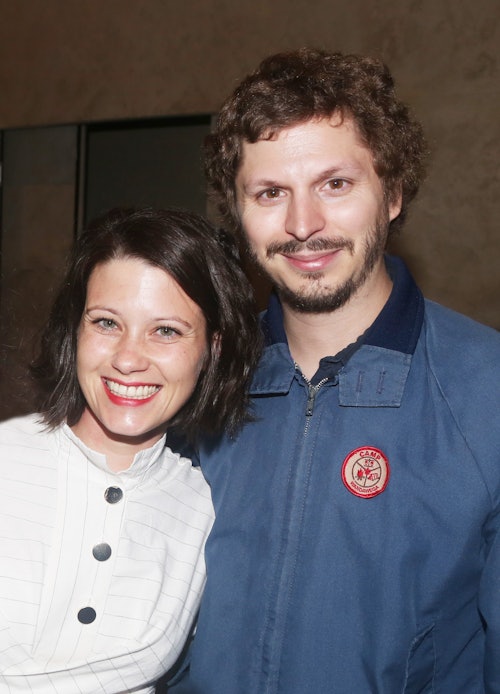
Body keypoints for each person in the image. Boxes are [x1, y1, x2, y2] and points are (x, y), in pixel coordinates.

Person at [168, 48, 500, 692]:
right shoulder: (190, 388)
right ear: (237, 214)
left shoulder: (487, 393)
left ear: (394, 192)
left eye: (335, 184)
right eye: (269, 193)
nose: (302, 224)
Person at [0, 206, 261, 693]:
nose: (127, 359)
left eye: (166, 331)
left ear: (213, 348)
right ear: (74, 329)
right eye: (106, 323)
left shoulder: (205, 508)